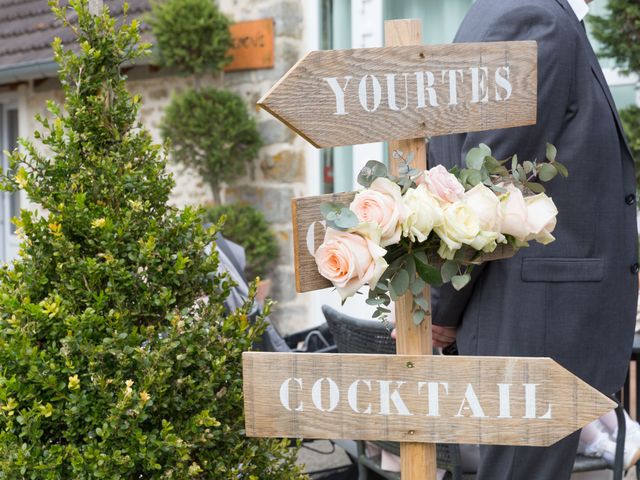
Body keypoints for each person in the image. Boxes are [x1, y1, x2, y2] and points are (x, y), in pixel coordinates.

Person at [428, 0, 638, 478]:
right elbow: (487, 186)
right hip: (536, 321)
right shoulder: (533, 17)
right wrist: (439, 308)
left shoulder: (522, 12)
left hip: (534, 317)